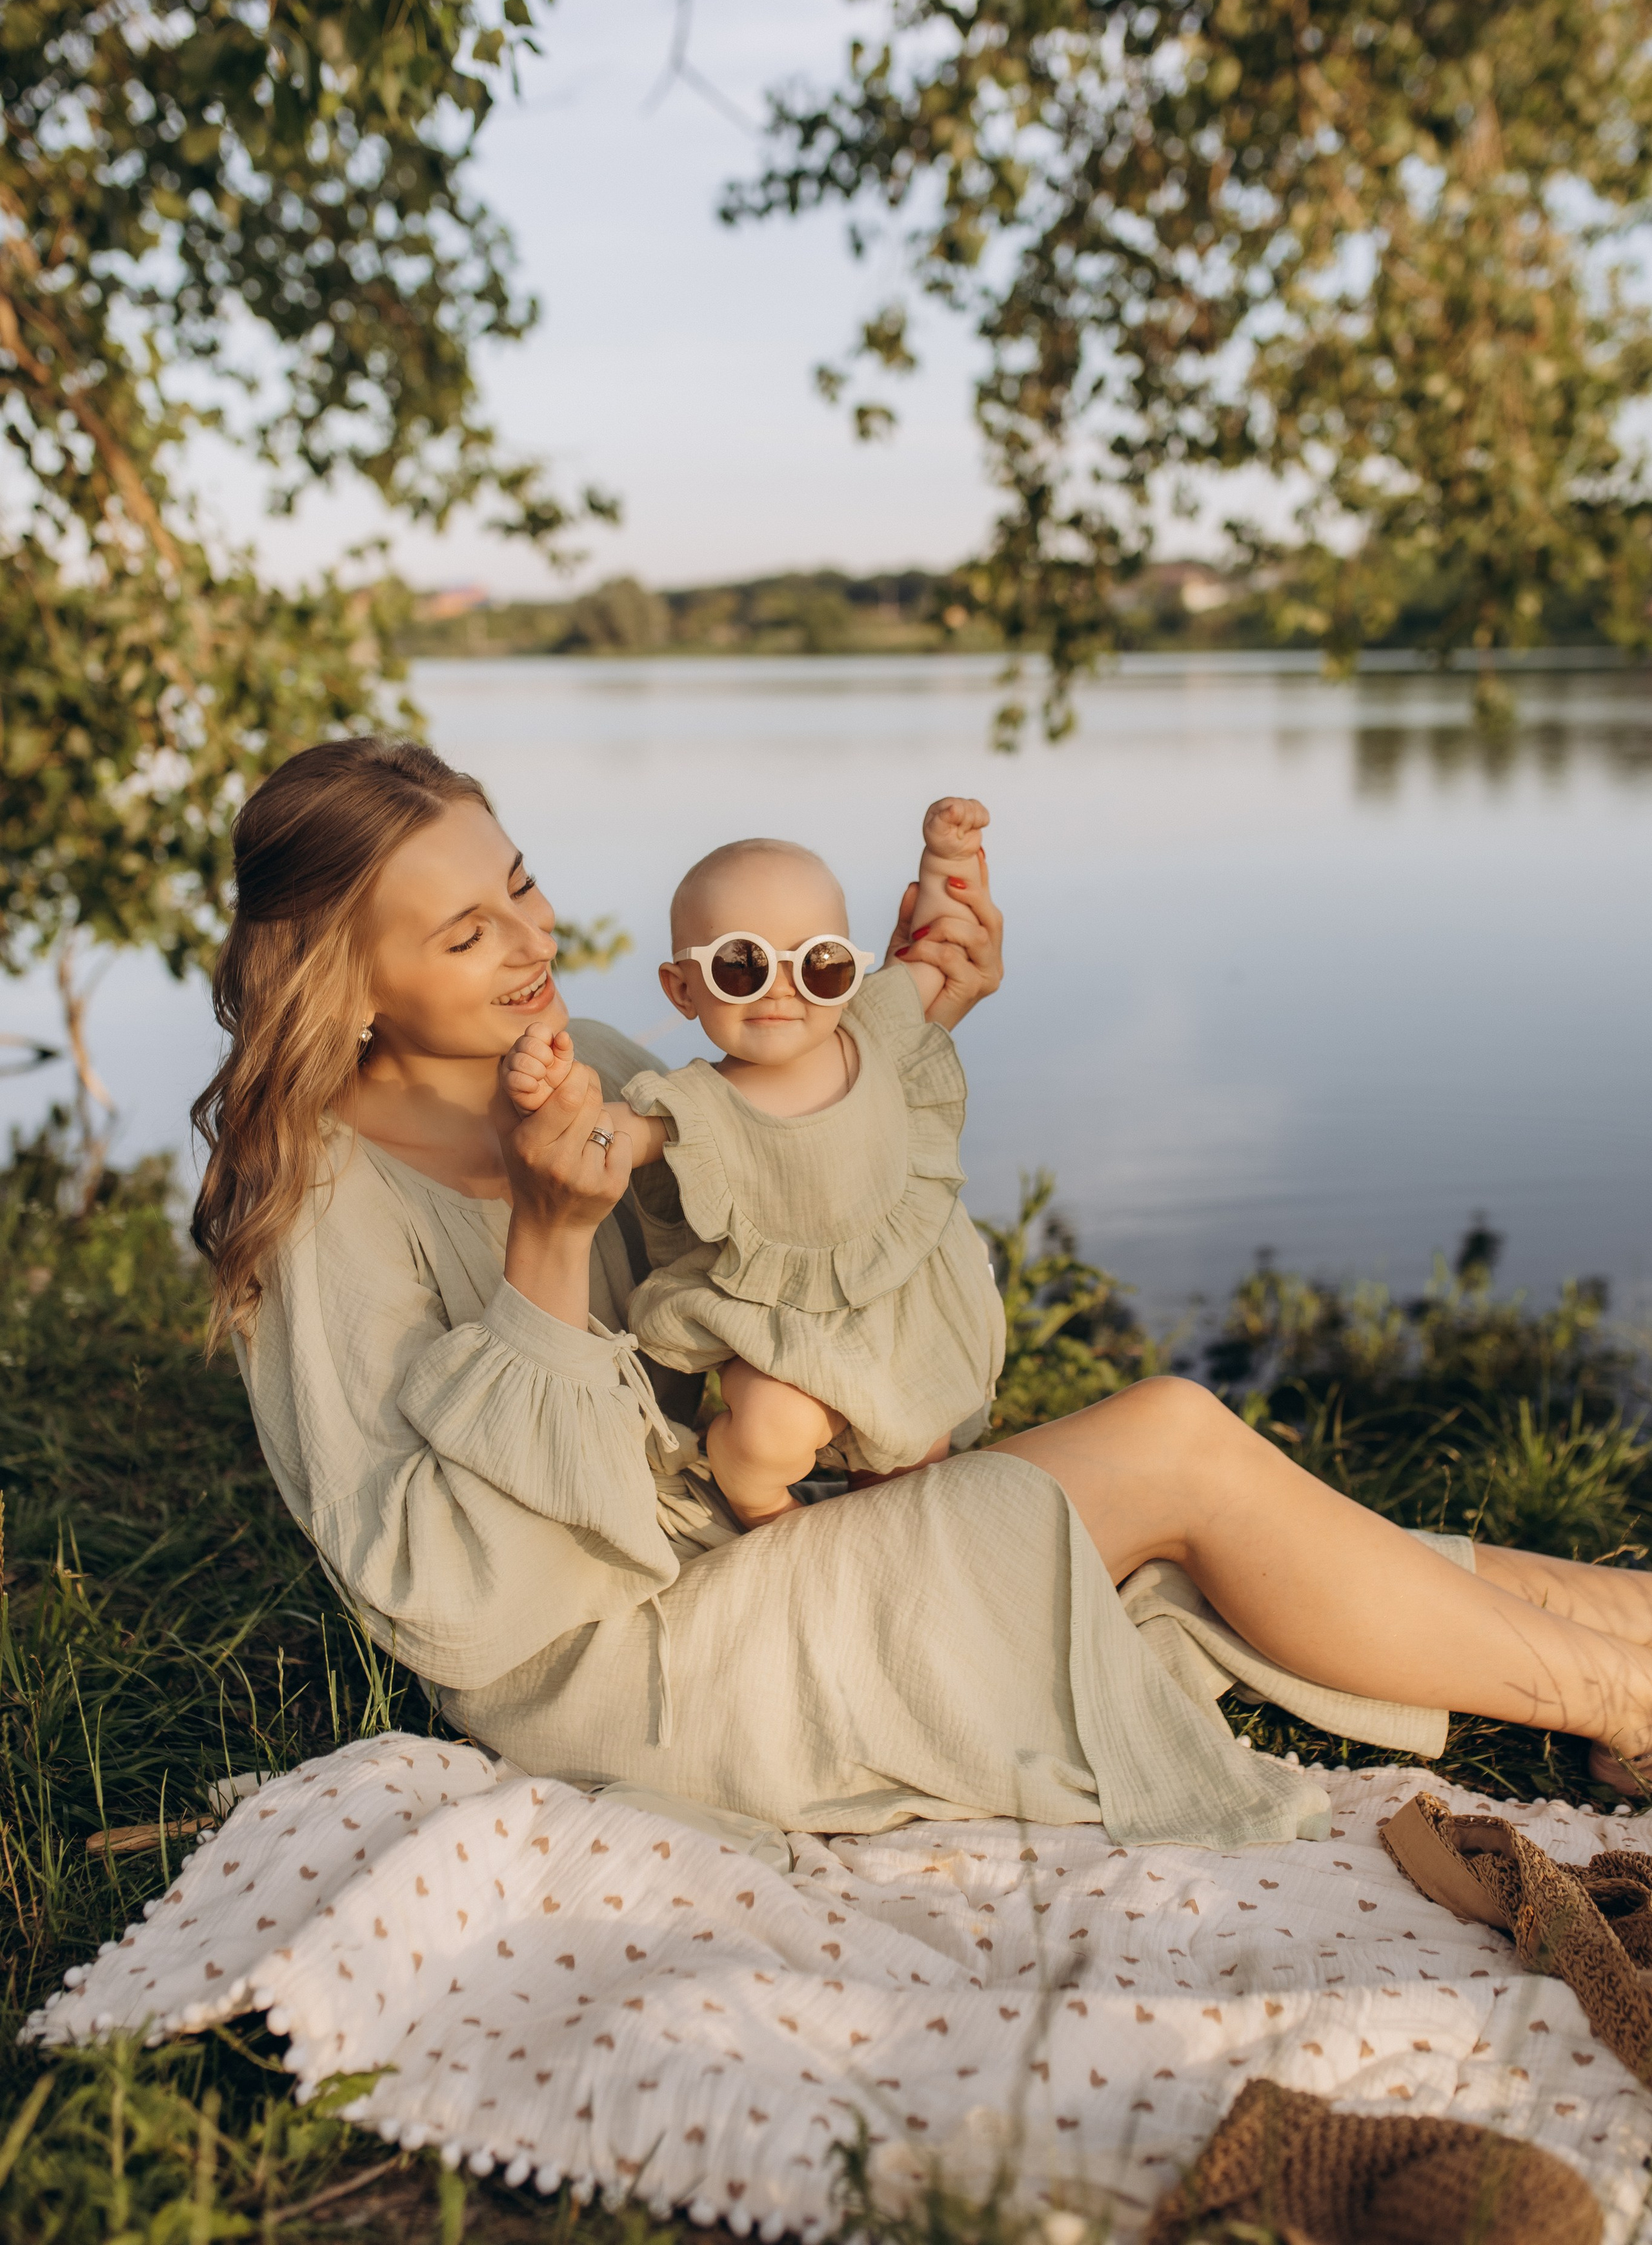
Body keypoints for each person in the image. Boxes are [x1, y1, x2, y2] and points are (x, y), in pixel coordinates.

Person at [192, 736, 1652, 1855]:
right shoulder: (317, 1212)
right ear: (349, 982)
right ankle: (1621, 1704)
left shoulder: (610, 1050)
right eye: (466, 934)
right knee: (1169, 1446)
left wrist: (887, 1016)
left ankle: (1632, 1629)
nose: (531, 939)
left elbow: (804, 1215)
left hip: (747, 1540)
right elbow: (444, 1599)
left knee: (1168, 1519)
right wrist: (548, 1246)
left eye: (519, 882)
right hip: (628, 1670)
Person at [500, 803, 1004, 1526]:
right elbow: (610, 1132)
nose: (781, 988)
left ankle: (883, 1536)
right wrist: (551, 1093)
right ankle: (763, 1512)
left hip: (891, 1311)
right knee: (769, 1432)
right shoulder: (696, 1104)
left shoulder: (874, 1027)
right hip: (778, 1330)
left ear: (851, 973)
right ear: (682, 989)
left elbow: (934, 945)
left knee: (912, 1455)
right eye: (742, 964)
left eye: (820, 965)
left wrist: (946, 859)